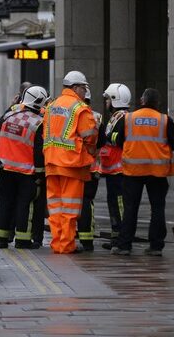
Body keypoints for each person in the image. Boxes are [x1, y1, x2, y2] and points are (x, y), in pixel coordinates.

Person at [111, 88, 174, 256]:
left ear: (142, 101)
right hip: (157, 171)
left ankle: (125, 246)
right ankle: (156, 246)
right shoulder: (165, 120)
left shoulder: (128, 118)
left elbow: (116, 139)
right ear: (158, 103)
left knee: (130, 208)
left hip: (133, 171)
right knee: (157, 208)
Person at [43, 71, 98, 254]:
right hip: (71, 164)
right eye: (84, 88)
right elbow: (90, 137)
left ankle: (57, 243)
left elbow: (45, 133)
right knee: (70, 208)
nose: (85, 92)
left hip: (51, 163)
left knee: (55, 208)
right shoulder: (80, 108)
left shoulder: (51, 106)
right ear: (75, 87)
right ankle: (66, 245)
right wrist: (90, 153)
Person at [0, 86, 49, 249]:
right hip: (26, 172)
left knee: (5, 203)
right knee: (25, 204)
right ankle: (23, 239)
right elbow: (39, 152)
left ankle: (1, 239)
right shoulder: (38, 123)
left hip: (4, 169)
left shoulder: (8, 116)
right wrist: (40, 175)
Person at [98, 83, 131, 250]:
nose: (106, 103)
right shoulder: (116, 117)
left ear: (115, 99)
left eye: (107, 100)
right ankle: (116, 236)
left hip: (119, 171)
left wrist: (107, 136)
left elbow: (121, 138)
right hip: (112, 170)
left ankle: (122, 237)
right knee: (113, 203)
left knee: (119, 204)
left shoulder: (124, 117)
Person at [77, 89, 104, 251]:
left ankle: (72, 235)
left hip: (75, 165)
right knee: (88, 202)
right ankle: (87, 240)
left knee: (74, 203)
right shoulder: (97, 117)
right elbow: (101, 141)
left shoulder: (73, 114)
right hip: (92, 167)